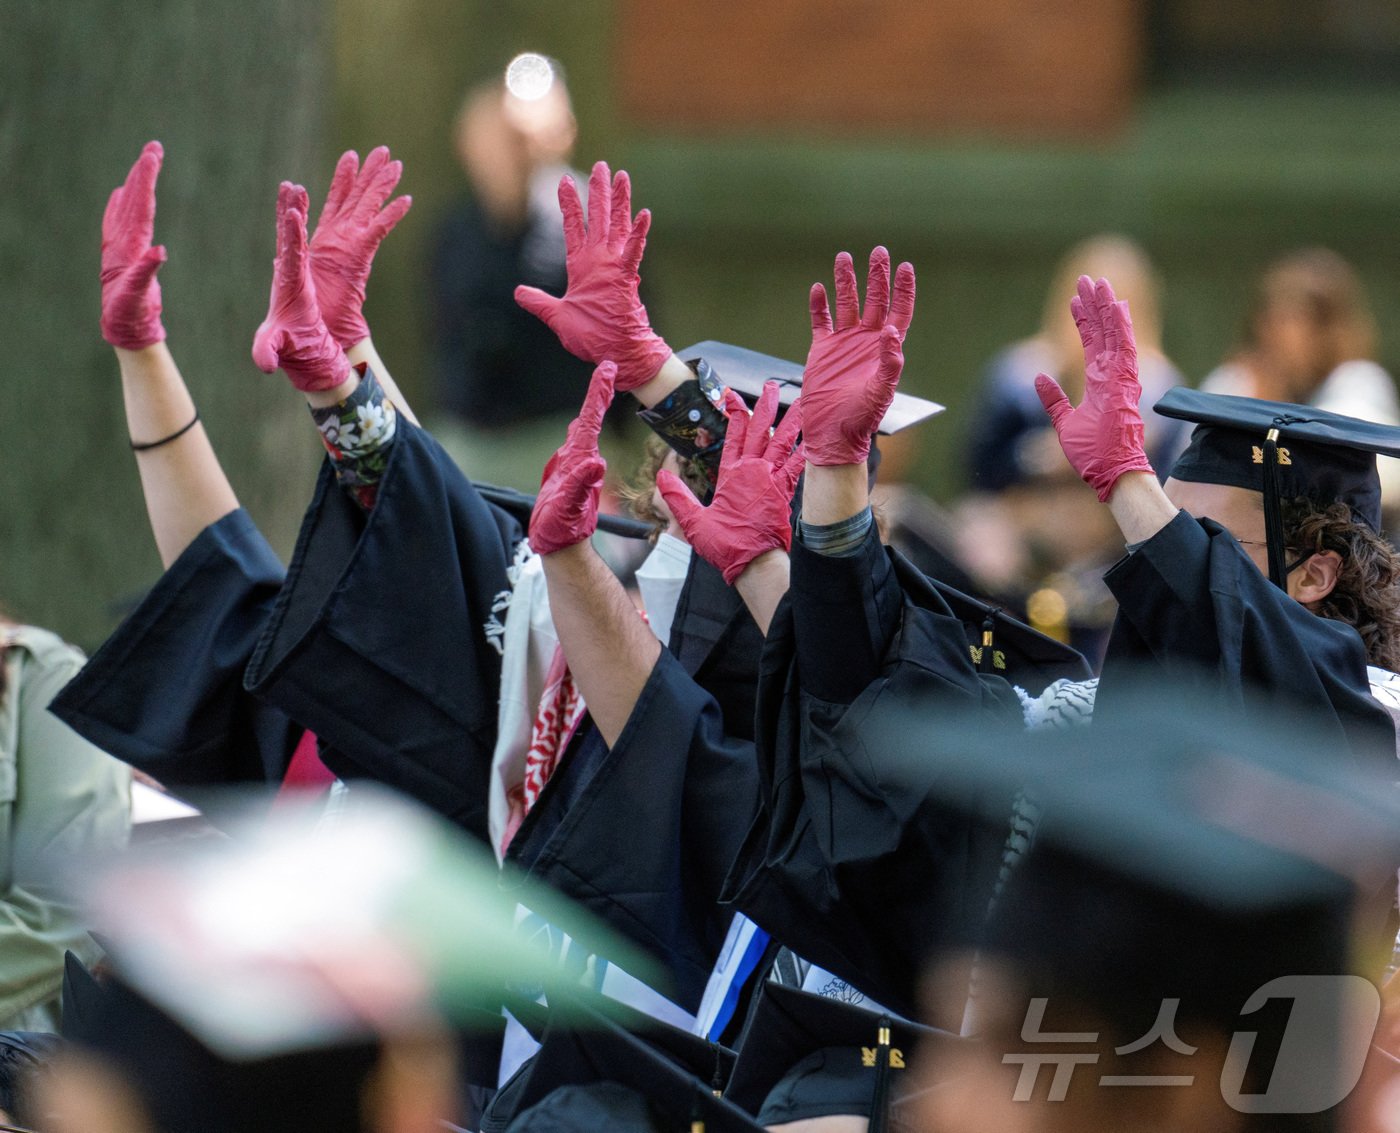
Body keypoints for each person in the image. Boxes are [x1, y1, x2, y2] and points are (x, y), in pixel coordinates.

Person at [428, 59, 599, 490]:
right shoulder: (457, 229)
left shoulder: (588, 221)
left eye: (518, 139)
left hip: (557, 437)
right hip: (470, 439)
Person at [1200, 246, 1400, 517]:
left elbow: (1350, 478)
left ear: (1326, 329)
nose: (1271, 331)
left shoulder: (1358, 382)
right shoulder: (1243, 381)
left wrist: (1264, 416)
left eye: (1290, 319)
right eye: (1268, 317)